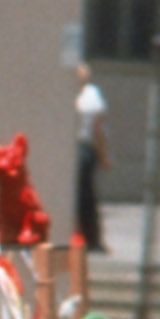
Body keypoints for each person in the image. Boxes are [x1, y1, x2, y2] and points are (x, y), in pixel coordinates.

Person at [74, 64, 108, 253]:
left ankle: (87, 237)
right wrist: (103, 156)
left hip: (80, 148)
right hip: (83, 148)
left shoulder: (85, 96)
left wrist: (102, 155)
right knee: (85, 196)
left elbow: (97, 131)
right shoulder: (91, 96)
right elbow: (98, 131)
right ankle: (90, 238)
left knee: (82, 196)